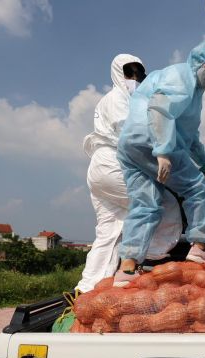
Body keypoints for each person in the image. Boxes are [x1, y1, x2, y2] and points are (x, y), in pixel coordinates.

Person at [114, 40, 205, 286]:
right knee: (198, 189)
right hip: (151, 141)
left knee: (145, 205)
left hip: (130, 146)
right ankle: (198, 246)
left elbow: (190, 137)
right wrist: (163, 151)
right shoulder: (183, 77)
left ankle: (126, 269)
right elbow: (159, 108)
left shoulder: (193, 92)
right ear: (201, 63)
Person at [76, 55, 148, 292]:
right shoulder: (118, 98)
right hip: (112, 165)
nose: (135, 79)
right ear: (118, 73)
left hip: (100, 171)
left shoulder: (126, 100)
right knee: (154, 202)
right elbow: (131, 134)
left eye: (139, 75)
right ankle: (137, 267)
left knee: (109, 231)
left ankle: (89, 289)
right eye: (130, 73)